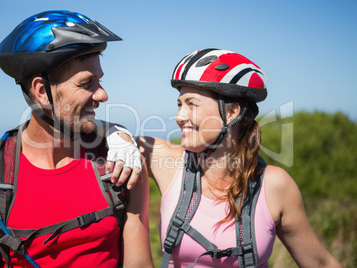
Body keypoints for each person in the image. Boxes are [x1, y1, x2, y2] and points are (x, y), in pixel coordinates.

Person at [0, 10, 153, 268]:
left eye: (100, 80)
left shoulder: (120, 161)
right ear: (42, 92)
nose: (103, 95)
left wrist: (118, 132)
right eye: (87, 83)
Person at [137, 48, 343, 267]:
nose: (179, 116)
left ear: (232, 112)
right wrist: (120, 137)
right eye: (179, 104)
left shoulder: (274, 185)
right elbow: (102, 134)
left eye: (192, 104)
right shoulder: (169, 163)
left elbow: (320, 263)